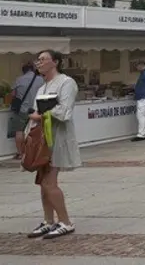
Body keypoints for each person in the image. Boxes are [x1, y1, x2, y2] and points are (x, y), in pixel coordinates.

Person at [26, 49, 81, 239]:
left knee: (50, 182)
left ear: (55, 62)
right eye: (38, 60)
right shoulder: (41, 87)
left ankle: (65, 221)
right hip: (43, 140)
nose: (39, 63)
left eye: (43, 59)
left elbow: (65, 112)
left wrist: (40, 115)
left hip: (58, 138)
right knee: (43, 182)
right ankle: (48, 221)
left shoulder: (66, 83)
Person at [7, 63, 40, 159]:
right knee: (35, 131)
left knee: (19, 131)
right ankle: (34, 152)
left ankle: (21, 153)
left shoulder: (19, 80)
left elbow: (13, 94)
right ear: (32, 69)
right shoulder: (40, 80)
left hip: (22, 110)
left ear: (23, 70)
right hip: (36, 110)